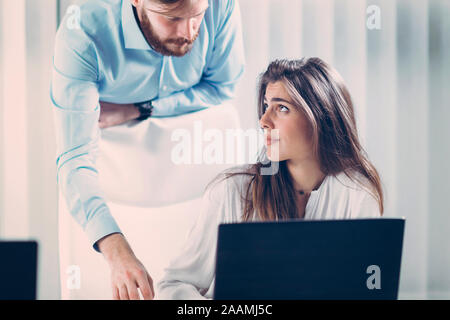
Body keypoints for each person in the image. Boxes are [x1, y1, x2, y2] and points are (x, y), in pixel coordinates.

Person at [51, 0, 245, 300]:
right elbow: (74, 157)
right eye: (172, 18)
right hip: (110, 189)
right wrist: (117, 252)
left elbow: (221, 87)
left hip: (198, 174)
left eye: (198, 15)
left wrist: (141, 109)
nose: (188, 32)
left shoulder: (221, 4)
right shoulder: (83, 33)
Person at [157, 57, 384, 299]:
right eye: (266, 106)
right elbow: (174, 285)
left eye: (281, 108)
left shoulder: (357, 194)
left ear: (320, 117)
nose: (264, 121)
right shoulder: (232, 191)